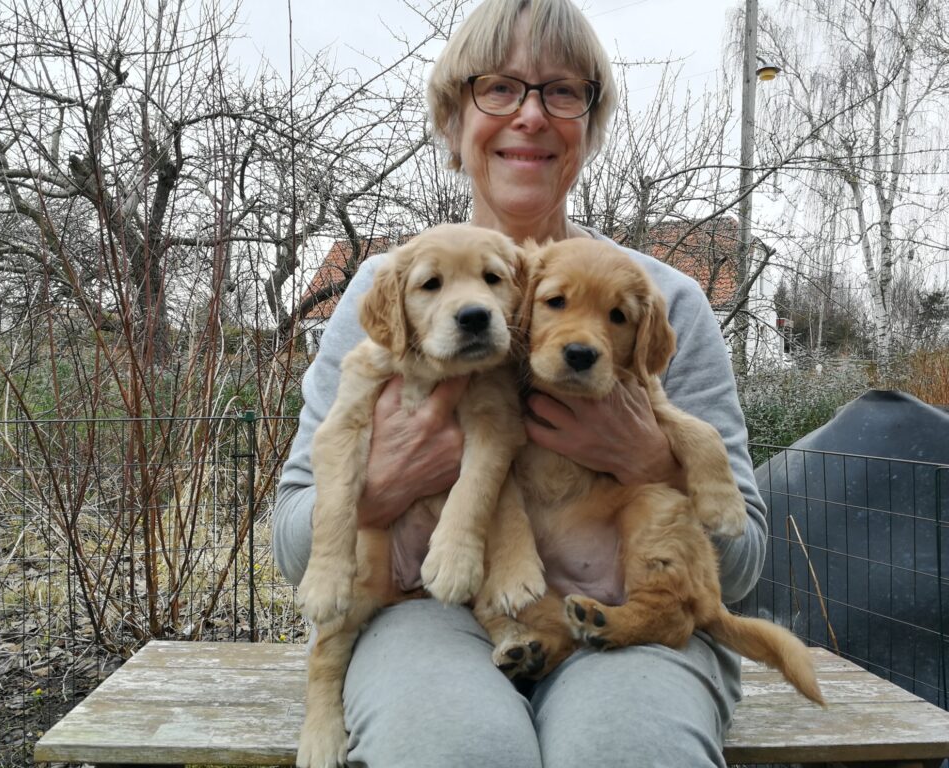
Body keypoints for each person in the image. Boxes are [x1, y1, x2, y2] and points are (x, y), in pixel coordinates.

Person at [274, 0, 768, 765]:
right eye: (498, 88)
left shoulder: (660, 298)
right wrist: (383, 484)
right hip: (428, 606)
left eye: (562, 92)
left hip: (620, 607)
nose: (530, 116)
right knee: (456, 749)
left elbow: (742, 561)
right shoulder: (387, 291)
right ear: (451, 118)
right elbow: (292, 542)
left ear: (589, 126)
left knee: (623, 749)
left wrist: (648, 459)